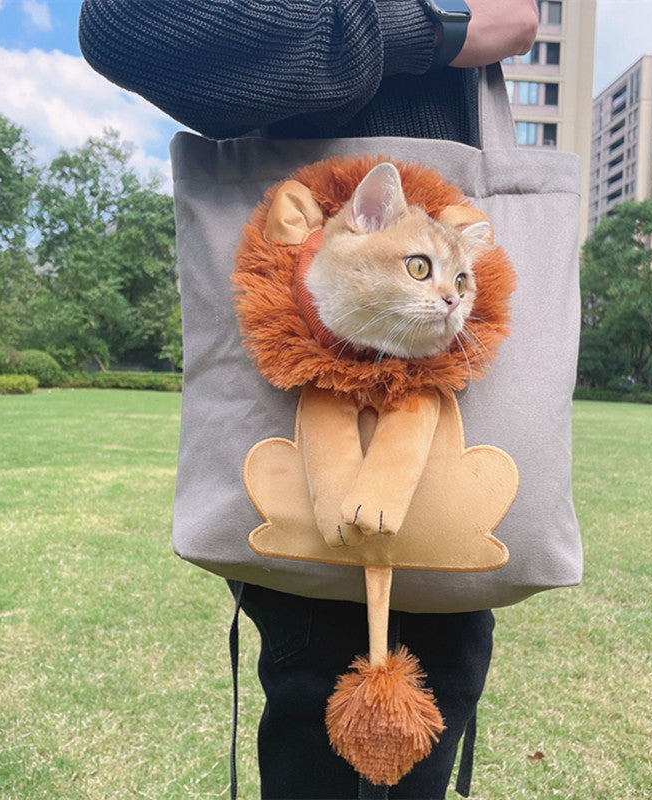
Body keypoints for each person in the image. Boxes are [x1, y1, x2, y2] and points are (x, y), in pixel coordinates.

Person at [78, 2, 539, 798]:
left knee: (448, 673)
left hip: (446, 522)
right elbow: (129, 23)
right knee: (321, 712)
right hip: (307, 497)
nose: (451, 296)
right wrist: (435, 25)